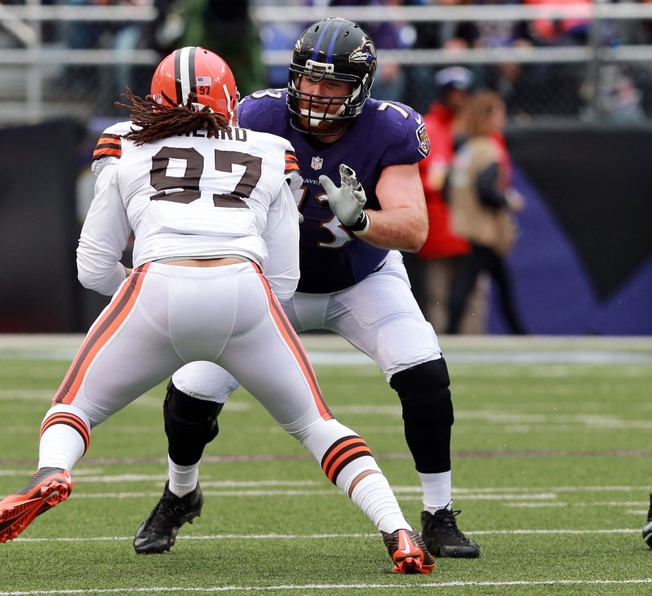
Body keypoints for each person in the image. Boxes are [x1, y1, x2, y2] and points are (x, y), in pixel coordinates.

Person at [0, 46, 435, 575]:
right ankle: (397, 527)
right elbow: (285, 278)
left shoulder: (123, 145)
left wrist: (140, 294)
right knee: (317, 425)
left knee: (72, 409)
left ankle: (51, 470)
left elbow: (93, 266)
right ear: (230, 100)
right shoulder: (271, 150)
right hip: (244, 288)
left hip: (157, 284)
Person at [134, 18, 481, 561]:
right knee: (191, 392)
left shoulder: (389, 129)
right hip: (270, 283)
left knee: (426, 375)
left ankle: (438, 514)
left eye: (333, 84)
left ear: (361, 88)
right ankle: (180, 493)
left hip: (359, 279)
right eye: (309, 80)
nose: (317, 94)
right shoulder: (255, 116)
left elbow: (414, 230)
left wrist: (362, 219)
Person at [445, 90, 526, 335]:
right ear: (487, 116)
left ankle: (519, 332)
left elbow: (447, 187)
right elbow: (486, 191)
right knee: (476, 283)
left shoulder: (466, 150)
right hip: (484, 229)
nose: (502, 118)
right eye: (498, 113)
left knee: (493, 282)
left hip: (469, 224)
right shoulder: (488, 150)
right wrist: (508, 200)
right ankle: (519, 334)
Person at [414, 66, 480, 335]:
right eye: (453, 92)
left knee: (474, 294)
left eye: (464, 93)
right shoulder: (426, 128)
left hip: (473, 224)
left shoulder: (478, 128)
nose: (459, 99)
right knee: (437, 293)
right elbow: (427, 180)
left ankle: (475, 348)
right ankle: (439, 348)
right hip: (439, 223)